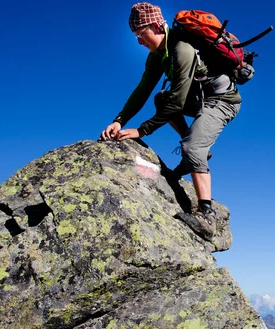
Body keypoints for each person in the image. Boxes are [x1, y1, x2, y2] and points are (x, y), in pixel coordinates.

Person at [100, 2, 241, 241]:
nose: (139, 41)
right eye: (135, 36)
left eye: (141, 34)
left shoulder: (181, 49)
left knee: (192, 147)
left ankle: (207, 215)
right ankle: (195, 152)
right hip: (199, 98)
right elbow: (143, 89)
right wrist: (120, 120)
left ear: (156, 26)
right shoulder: (157, 56)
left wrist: (142, 131)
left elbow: (176, 102)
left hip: (223, 101)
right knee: (159, 98)